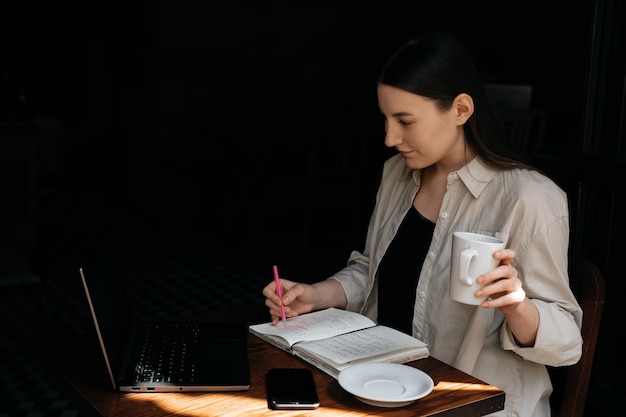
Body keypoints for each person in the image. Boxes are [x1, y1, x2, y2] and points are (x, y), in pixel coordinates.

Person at [262, 30, 582, 417]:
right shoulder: (396, 174)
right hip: (387, 388)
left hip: (480, 405)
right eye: (386, 119)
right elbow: (373, 268)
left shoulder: (529, 197)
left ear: (461, 110)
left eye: (405, 121)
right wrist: (317, 295)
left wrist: (517, 306)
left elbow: (567, 342)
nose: (389, 137)